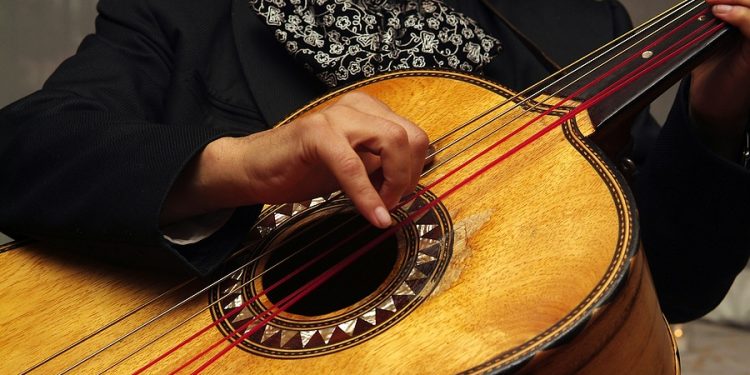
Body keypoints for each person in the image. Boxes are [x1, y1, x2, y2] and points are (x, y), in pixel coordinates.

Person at [0, 0, 748, 323]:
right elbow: (25, 150)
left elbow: (666, 288)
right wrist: (245, 165)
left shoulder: (576, 21)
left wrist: (712, 118)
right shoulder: (187, 11)